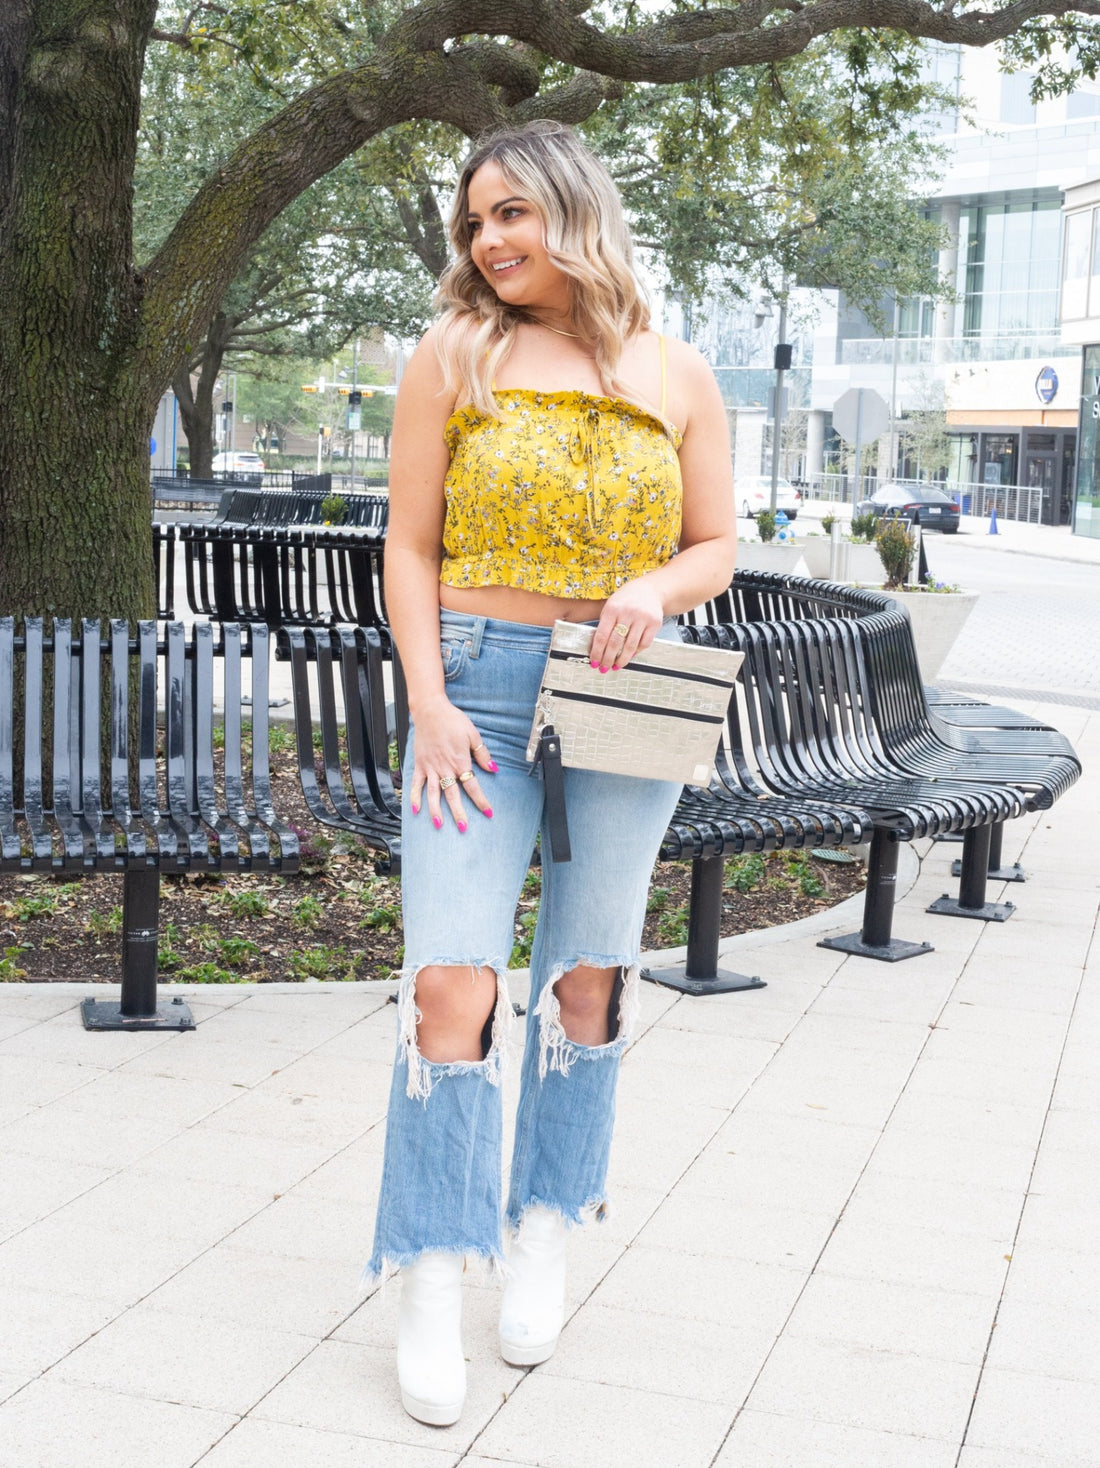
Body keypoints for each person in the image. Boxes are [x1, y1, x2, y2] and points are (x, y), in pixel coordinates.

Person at [367, 119, 737, 1427]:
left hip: (621, 692)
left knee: (589, 979)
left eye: (513, 212)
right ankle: (429, 1269)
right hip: (470, 687)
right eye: (478, 221)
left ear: (574, 209)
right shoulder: (454, 352)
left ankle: (540, 1232)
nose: (492, 241)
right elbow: (409, 545)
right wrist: (426, 699)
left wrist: (649, 585)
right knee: (451, 982)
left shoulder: (676, 371)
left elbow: (716, 545)